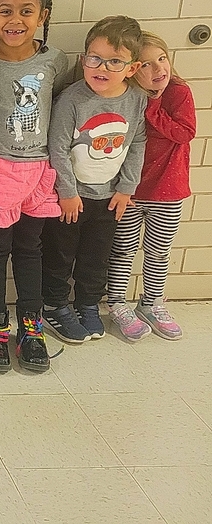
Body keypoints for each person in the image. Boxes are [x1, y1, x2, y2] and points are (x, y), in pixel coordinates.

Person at [0, 0, 72, 373]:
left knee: (30, 249)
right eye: (5, 11)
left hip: (39, 171)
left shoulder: (55, 60)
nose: (15, 20)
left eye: (27, 11)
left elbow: (59, 107)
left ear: (42, 16)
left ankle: (31, 325)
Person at [42, 16, 147, 344]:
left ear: (132, 68)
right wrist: (67, 191)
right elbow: (57, 147)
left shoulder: (136, 99)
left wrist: (127, 187)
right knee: (60, 254)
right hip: (70, 198)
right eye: (95, 58)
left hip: (109, 198)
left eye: (115, 61)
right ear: (83, 59)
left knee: (96, 257)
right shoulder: (72, 99)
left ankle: (87, 304)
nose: (102, 67)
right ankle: (55, 305)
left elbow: (137, 142)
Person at [106, 31, 193, 341]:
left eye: (162, 59)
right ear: (132, 69)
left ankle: (152, 303)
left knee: (159, 251)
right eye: (146, 64)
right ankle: (117, 302)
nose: (158, 69)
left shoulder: (178, 92)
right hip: (129, 191)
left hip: (168, 191)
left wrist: (154, 103)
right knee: (122, 249)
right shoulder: (126, 96)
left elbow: (183, 133)